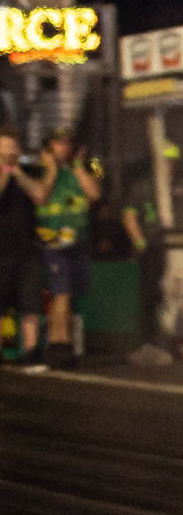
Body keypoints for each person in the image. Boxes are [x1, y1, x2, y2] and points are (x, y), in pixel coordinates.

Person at [31, 129, 101, 368]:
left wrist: (80, 165)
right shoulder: (41, 168)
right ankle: (56, 343)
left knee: (70, 295)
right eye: (58, 144)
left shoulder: (88, 165)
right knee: (61, 293)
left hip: (78, 240)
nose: (64, 149)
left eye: (67, 144)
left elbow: (95, 193)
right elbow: (40, 196)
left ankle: (65, 343)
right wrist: (50, 168)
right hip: (52, 241)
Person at [121, 139, 183, 365]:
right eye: (165, 161)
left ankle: (173, 339)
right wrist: (140, 242)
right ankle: (147, 343)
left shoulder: (182, 185)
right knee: (151, 295)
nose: (169, 165)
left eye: (172, 161)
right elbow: (129, 215)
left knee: (174, 293)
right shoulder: (142, 186)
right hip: (152, 247)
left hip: (179, 246)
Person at [0, 129, 44, 368]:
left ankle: (31, 350)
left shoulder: (27, 171)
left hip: (27, 249)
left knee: (30, 303)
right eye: (4, 151)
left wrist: (17, 171)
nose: (9, 154)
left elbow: (39, 195)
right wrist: (5, 173)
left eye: (12, 150)